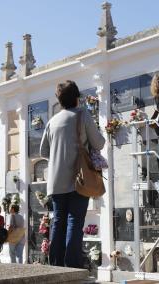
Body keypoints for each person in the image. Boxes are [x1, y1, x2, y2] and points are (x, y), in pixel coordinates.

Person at [40, 80, 105, 268]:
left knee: (58, 223)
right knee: (75, 222)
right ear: (77, 97)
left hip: (55, 182)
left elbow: (44, 152)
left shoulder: (52, 121)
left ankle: (55, 266)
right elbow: (99, 143)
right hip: (79, 178)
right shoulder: (82, 114)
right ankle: (72, 266)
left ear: (59, 100)